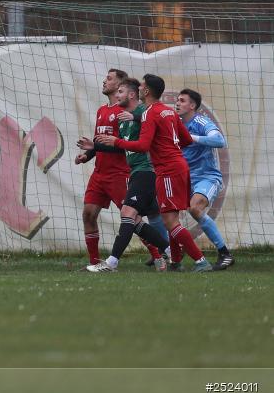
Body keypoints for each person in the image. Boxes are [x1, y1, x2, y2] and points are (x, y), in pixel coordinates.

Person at [96, 74, 212, 272]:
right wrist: (168, 146)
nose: (139, 89)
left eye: (141, 86)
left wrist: (116, 142)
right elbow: (186, 140)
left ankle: (201, 261)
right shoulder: (168, 112)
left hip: (167, 169)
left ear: (146, 91)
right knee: (170, 218)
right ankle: (175, 260)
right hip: (178, 166)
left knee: (169, 220)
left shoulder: (149, 113)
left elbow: (142, 145)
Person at [79, 78, 170, 272]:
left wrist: (134, 120)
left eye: (111, 79)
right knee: (90, 214)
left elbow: (148, 127)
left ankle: (158, 254)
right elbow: (107, 142)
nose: (104, 81)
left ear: (128, 92)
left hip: (126, 173)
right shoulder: (106, 112)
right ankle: (97, 262)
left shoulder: (138, 112)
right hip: (101, 173)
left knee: (131, 217)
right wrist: (90, 152)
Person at [176, 89, 234, 270]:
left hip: (207, 177)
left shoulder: (200, 121)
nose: (177, 103)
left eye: (182, 100)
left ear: (192, 106)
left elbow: (219, 140)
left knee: (195, 208)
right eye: (177, 100)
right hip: (184, 178)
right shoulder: (175, 123)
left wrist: (191, 137)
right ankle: (170, 253)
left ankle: (225, 253)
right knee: (166, 213)